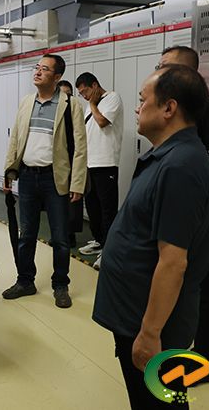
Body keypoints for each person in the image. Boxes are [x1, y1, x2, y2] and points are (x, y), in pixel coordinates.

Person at [92, 64, 209, 410]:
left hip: (151, 323)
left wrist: (150, 333)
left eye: (142, 99)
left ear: (169, 108)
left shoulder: (181, 167)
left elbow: (173, 262)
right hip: (134, 312)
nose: (137, 108)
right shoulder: (168, 157)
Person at [157, 45, 209, 384]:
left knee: (202, 285)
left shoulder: (207, 109)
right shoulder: (173, 108)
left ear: (189, 73)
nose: (160, 72)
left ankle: (204, 362)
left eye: (167, 67)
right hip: (176, 208)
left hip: (194, 212)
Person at [2, 54, 87, 309]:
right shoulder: (26, 102)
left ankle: (60, 285)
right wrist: (9, 171)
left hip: (55, 178)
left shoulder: (70, 105)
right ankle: (25, 281)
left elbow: (80, 147)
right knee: (26, 234)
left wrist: (77, 183)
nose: (38, 72)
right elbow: (16, 139)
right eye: (37, 67)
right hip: (28, 176)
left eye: (45, 69)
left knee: (60, 237)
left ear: (57, 76)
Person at [75, 73, 123, 270]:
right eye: (81, 94)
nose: (84, 96)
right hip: (89, 164)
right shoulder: (90, 105)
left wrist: (93, 104)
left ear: (94, 85)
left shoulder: (112, 98)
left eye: (85, 91)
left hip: (106, 163)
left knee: (107, 209)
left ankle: (109, 250)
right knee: (92, 207)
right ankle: (99, 241)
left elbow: (103, 122)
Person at [56, 79, 82, 248]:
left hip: (74, 161)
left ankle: (70, 235)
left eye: (69, 94)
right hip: (58, 164)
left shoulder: (75, 112)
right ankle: (61, 233)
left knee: (73, 201)